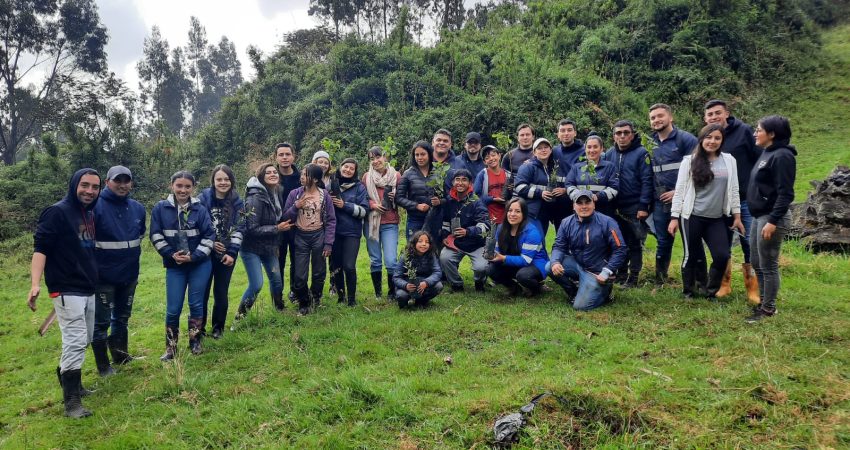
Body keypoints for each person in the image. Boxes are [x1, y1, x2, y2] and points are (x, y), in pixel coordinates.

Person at [28, 168, 101, 418]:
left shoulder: (88, 213)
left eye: (95, 187)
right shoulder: (56, 212)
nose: (89, 191)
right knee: (75, 340)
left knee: (86, 338)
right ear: (74, 185)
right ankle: (72, 403)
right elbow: (41, 249)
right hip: (65, 288)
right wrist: (35, 284)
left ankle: (71, 381)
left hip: (88, 286)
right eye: (85, 185)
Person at [668, 124, 744, 298]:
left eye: (717, 138)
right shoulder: (689, 161)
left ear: (722, 141)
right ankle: (688, 291)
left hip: (716, 218)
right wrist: (674, 217)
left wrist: (737, 216)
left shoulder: (729, 160)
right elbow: (679, 191)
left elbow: (734, 189)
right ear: (701, 139)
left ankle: (711, 291)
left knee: (722, 256)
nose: (712, 141)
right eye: (708, 137)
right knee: (691, 255)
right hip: (691, 217)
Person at [150, 171, 215, 360]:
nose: (183, 190)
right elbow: (155, 235)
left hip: (199, 264)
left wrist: (194, 256)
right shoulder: (160, 208)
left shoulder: (200, 209)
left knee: (196, 304)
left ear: (193, 188)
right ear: (172, 186)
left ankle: (195, 342)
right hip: (174, 266)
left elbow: (209, 236)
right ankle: (171, 347)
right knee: (173, 308)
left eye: (188, 186)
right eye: (179, 186)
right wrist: (171, 254)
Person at [704, 99, 762, 301]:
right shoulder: (707, 137)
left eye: (717, 112)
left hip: (745, 199)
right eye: (710, 114)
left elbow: (760, 158)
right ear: (705, 118)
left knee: (750, 243)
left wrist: (758, 187)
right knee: (722, 244)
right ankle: (724, 284)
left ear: (726, 114)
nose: (714, 117)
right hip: (719, 202)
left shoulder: (744, 131)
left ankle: (752, 287)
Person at [92, 165, 146, 377]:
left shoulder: (138, 208)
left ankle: (121, 356)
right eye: (117, 181)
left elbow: (139, 235)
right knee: (101, 323)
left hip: (129, 274)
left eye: (126, 181)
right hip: (102, 277)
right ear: (107, 182)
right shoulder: (94, 206)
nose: (122, 185)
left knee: (122, 317)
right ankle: (103, 366)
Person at [745, 115, 796, 323]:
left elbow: (786, 193)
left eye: (759, 130)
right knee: (757, 262)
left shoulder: (783, 156)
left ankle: (768, 309)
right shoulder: (767, 152)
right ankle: (763, 302)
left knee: (768, 264)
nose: (755, 133)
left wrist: (773, 220)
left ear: (772, 134)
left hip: (772, 217)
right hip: (758, 215)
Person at [547, 190, 627, 311]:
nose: (584, 206)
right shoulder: (566, 222)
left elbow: (620, 250)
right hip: (578, 265)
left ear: (593, 204)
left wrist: (607, 271)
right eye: (579, 203)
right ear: (574, 206)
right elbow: (559, 246)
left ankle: (606, 293)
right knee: (549, 266)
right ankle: (573, 292)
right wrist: (555, 262)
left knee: (581, 307)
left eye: (587, 202)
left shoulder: (608, 222)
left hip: (598, 272)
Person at [649, 103, 699, 285]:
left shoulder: (686, 140)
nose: (656, 120)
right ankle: (661, 280)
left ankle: (694, 281)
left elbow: (698, 170)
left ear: (670, 117)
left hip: (686, 199)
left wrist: (678, 192)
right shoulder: (649, 142)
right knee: (663, 241)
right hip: (660, 201)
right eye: (653, 118)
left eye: (660, 116)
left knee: (691, 240)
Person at [234, 164, 288, 325]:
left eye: (274, 172)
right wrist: (277, 229)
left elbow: (276, 218)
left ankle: (279, 310)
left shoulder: (276, 192)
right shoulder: (255, 197)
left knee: (277, 280)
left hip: (269, 246)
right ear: (261, 177)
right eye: (268, 173)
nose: (273, 174)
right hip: (251, 248)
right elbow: (252, 228)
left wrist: (276, 242)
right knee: (257, 284)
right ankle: (239, 318)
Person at [602, 120, 653, 287]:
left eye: (626, 132)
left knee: (634, 242)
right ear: (613, 136)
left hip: (634, 205)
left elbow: (647, 180)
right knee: (618, 242)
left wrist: (643, 205)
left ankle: (634, 277)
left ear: (632, 135)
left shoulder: (641, 153)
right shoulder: (609, 154)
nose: (622, 136)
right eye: (618, 133)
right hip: (614, 206)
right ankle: (621, 273)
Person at [283, 164, 337, 315]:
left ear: (315, 179)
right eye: (301, 174)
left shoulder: (324, 195)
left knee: (319, 271)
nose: (301, 177)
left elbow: (331, 220)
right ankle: (303, 302)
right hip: (300, 236)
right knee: (300, 274)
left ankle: (315, 298)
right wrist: (296, 207)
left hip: (319, 235)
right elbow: (285, 216)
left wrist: (328, 243)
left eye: (305, 175)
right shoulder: (295, 194)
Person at [199, 165, 243, 339]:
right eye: (219, 179)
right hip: (205, 254)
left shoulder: (237, 201)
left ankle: (218, 329)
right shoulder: (202, 199)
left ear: (231, 181)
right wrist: (211, 243)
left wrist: (232, 252)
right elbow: (197, 225)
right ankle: (199, 330)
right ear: (213, 181)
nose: (223, 182)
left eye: (226, 179)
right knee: (202, 292)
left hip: (227, 253)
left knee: (221, 292)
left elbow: (240, 227)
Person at [439, 169, 491, 292]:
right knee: (444, 258)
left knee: (481, 267)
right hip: (457, 243)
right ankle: (456, 284)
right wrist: (445, 236)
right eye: (457, 179)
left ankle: (479, 282)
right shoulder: (449, 201)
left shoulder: (477, 202)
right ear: (453, 182)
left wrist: (468, 231)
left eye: (464, 180)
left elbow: (486, 225)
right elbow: (445, 222)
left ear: (470, 183)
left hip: (476, 244)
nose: (460, 183)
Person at [486, 198, 548, 295]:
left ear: (524, 214)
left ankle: (536, 288)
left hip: (534, 264)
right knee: (491, 269)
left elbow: (526, 260)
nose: (512, 214)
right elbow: (497, 251)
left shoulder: (532, 232)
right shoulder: (501, 228)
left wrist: (503, 258)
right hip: (512, 261)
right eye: (510, 210)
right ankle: (514, 288)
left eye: (517, 211)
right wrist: (491, 255)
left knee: (524, 276)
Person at [362, 146, 401, 301]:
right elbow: (362, 198)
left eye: (378, 157)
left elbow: (403, 196)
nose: (375, 161)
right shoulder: (366, 177)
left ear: (385, 157)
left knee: (391, 261)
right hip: (371, 222)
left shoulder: (396, 176)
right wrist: (372, 205)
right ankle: (378, 293)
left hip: (390, 222)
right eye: (372, 159)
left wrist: (395, 198)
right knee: (375, 259)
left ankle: (392, 292)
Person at [330, 158, 369, 306]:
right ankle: (341, 297)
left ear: (355, 172)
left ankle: (352, 300)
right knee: (337, 266)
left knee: (349, 266)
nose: (348, 170)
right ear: (340, 167)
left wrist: (344, 205)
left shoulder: (359, 188)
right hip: (334, 232)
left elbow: (364, 211)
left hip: (351, 232)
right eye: (346, 167)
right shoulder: (331, 185)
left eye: (351, 168)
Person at [514, 137, 562, 237]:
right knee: (532, 240)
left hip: (545, 214)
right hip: (531, 213)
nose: (543, 150)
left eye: (546, 147)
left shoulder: (551, 169)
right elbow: (519, 187)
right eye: (539, 148)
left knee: (540, 241)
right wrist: (540, 193)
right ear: (534, 152)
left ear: (551, 150)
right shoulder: (528, 166)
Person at [273, 143, 301, 305]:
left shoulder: (301, 178)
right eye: (281, 154)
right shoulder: (271, 177)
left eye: (287, 154)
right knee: (278, 263)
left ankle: (295, 293)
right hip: (277, 228)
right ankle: (277, 299)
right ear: (276, 157)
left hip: (298, 226)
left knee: (297, 261)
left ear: (293, 156)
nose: (284, 157)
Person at [565, 134, 618, 217]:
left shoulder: (610, 167)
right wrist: (579, 196)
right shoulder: (576, 167)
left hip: (603, 212)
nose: (592, 150)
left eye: (595, 147)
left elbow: (614, 187)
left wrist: (598, 196)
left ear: (601, 149)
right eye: (589, 147)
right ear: (585, 149)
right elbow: (569, 184)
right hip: (581, 211)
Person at [396, 140, 440, 239]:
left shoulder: (438, 172)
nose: (419, 158)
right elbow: (399, 198)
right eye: (417, 155)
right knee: (413, 247)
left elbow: (446, 196)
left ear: (429, 154)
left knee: (433, 247)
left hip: (434, 219)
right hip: (414, 220)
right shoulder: (408, 174)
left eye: (423, 154)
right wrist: (416, 206)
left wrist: (439, 201)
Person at [394, 231, 443, 309]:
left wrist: (426, 282)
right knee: (401, 295)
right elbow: (396, 277)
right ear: (414, 243)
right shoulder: (405, 256)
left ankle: (421, 301)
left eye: (427, 242)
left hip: (424, 284)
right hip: (408, 284)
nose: (424, 244)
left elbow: (437, 272)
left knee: (438, 286)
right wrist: (405, 285)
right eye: (420, 241)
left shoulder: (431, 255)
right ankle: (404, 303)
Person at [552, 119, 585, 230]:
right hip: (558, 204)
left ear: (575, 133)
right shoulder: (554, 151)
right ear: (558, 134)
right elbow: (540, 158)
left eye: (569, 130)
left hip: (577, 200)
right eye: (562, 130)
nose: (566, 133)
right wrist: (530, 161)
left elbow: (586, 178)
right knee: (561, 234)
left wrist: (566, 190)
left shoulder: (584, 151)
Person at [473, 145, 507, 224]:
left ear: (499, 156)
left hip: (506, 218)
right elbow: (475, 197)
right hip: (488, 218)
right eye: (487, 158)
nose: (491, 158)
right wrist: (492, 199)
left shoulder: (507, 174)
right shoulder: (482, 175)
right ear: (484, 162)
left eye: (493, 155)